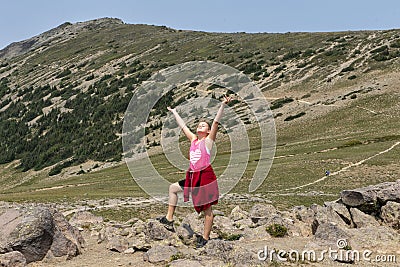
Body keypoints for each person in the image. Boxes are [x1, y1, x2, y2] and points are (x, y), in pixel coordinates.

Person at [157, 95, 232, 248]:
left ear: (208, 130)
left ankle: (205, 238)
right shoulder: (193, 140)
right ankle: (169, 220)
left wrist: (223, 105)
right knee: (173, 188)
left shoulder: (208, 141)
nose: (200, 126)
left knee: (207, 209)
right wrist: (174, 112)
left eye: (204, 125)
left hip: (205, 176)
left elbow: (216, 122)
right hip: (192, 176)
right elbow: (183, 127)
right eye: (199, 125)